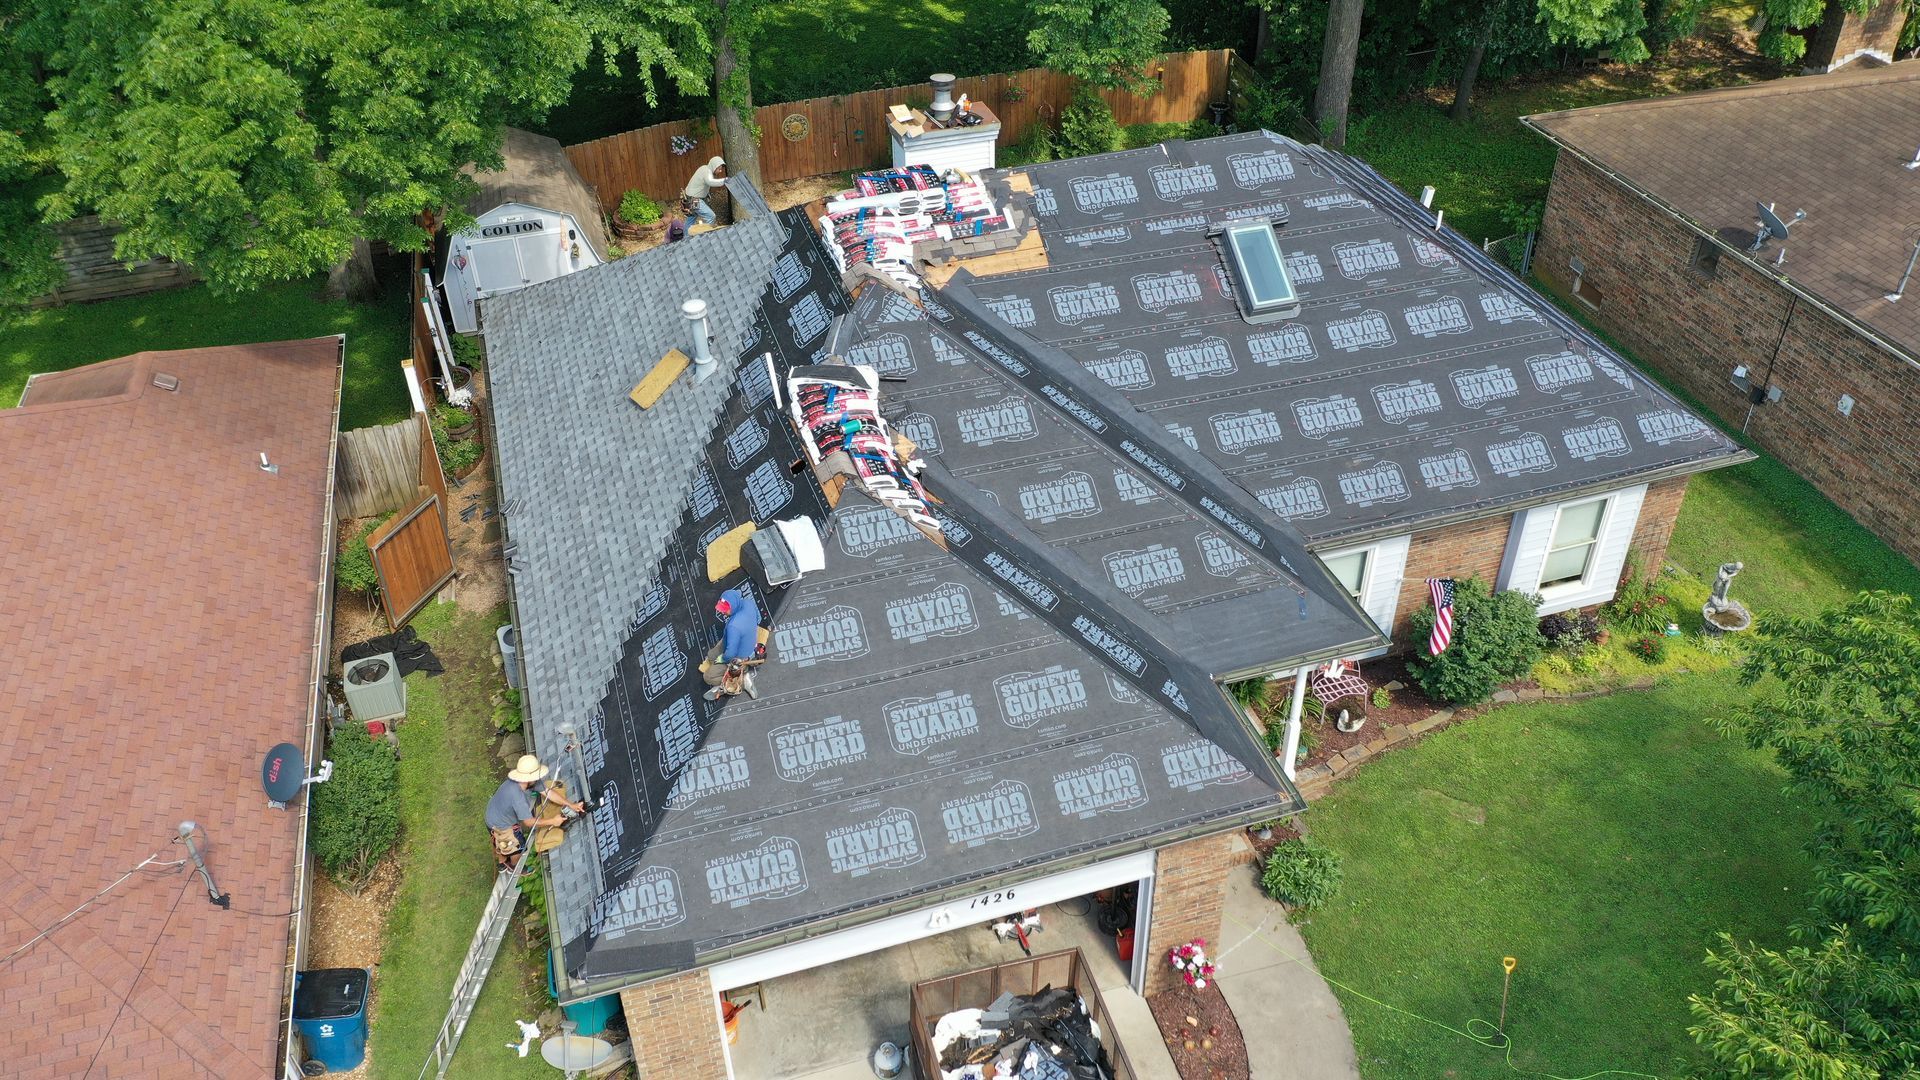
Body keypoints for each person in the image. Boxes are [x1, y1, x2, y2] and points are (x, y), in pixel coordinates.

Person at [485, 754, 585, 871]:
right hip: (500, 825)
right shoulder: (518, 797)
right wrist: (553, 821)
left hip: (492, 813)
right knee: (518, 847)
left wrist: (570, 804)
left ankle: (502, 862)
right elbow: (529, 822)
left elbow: (548, 793)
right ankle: (514, 866)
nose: (538, 778)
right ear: (529, 778)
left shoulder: (524, 782)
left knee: (501, 843)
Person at [702, 589, 763, 701]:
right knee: (711, 656)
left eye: (726, 610)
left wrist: (723, 659)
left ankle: (742, 681)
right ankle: (730, 676)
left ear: (734, 606)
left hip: (738, 658)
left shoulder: (733, 627)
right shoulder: (748, 602)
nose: (723, 612)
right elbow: (758, 619)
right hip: (747, 644)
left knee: (708, 677)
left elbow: (730, 654)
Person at [682, 156, 726, 227]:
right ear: (714, 166)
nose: (720, 171)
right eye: (719, 169)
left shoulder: (705, 169)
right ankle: (708, 236)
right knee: (711, 216)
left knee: (692, 218)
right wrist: (724, 181)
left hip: (690, 198)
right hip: (694, 200)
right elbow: (710, 182)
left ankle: (686, 236)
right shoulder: (707, 171)